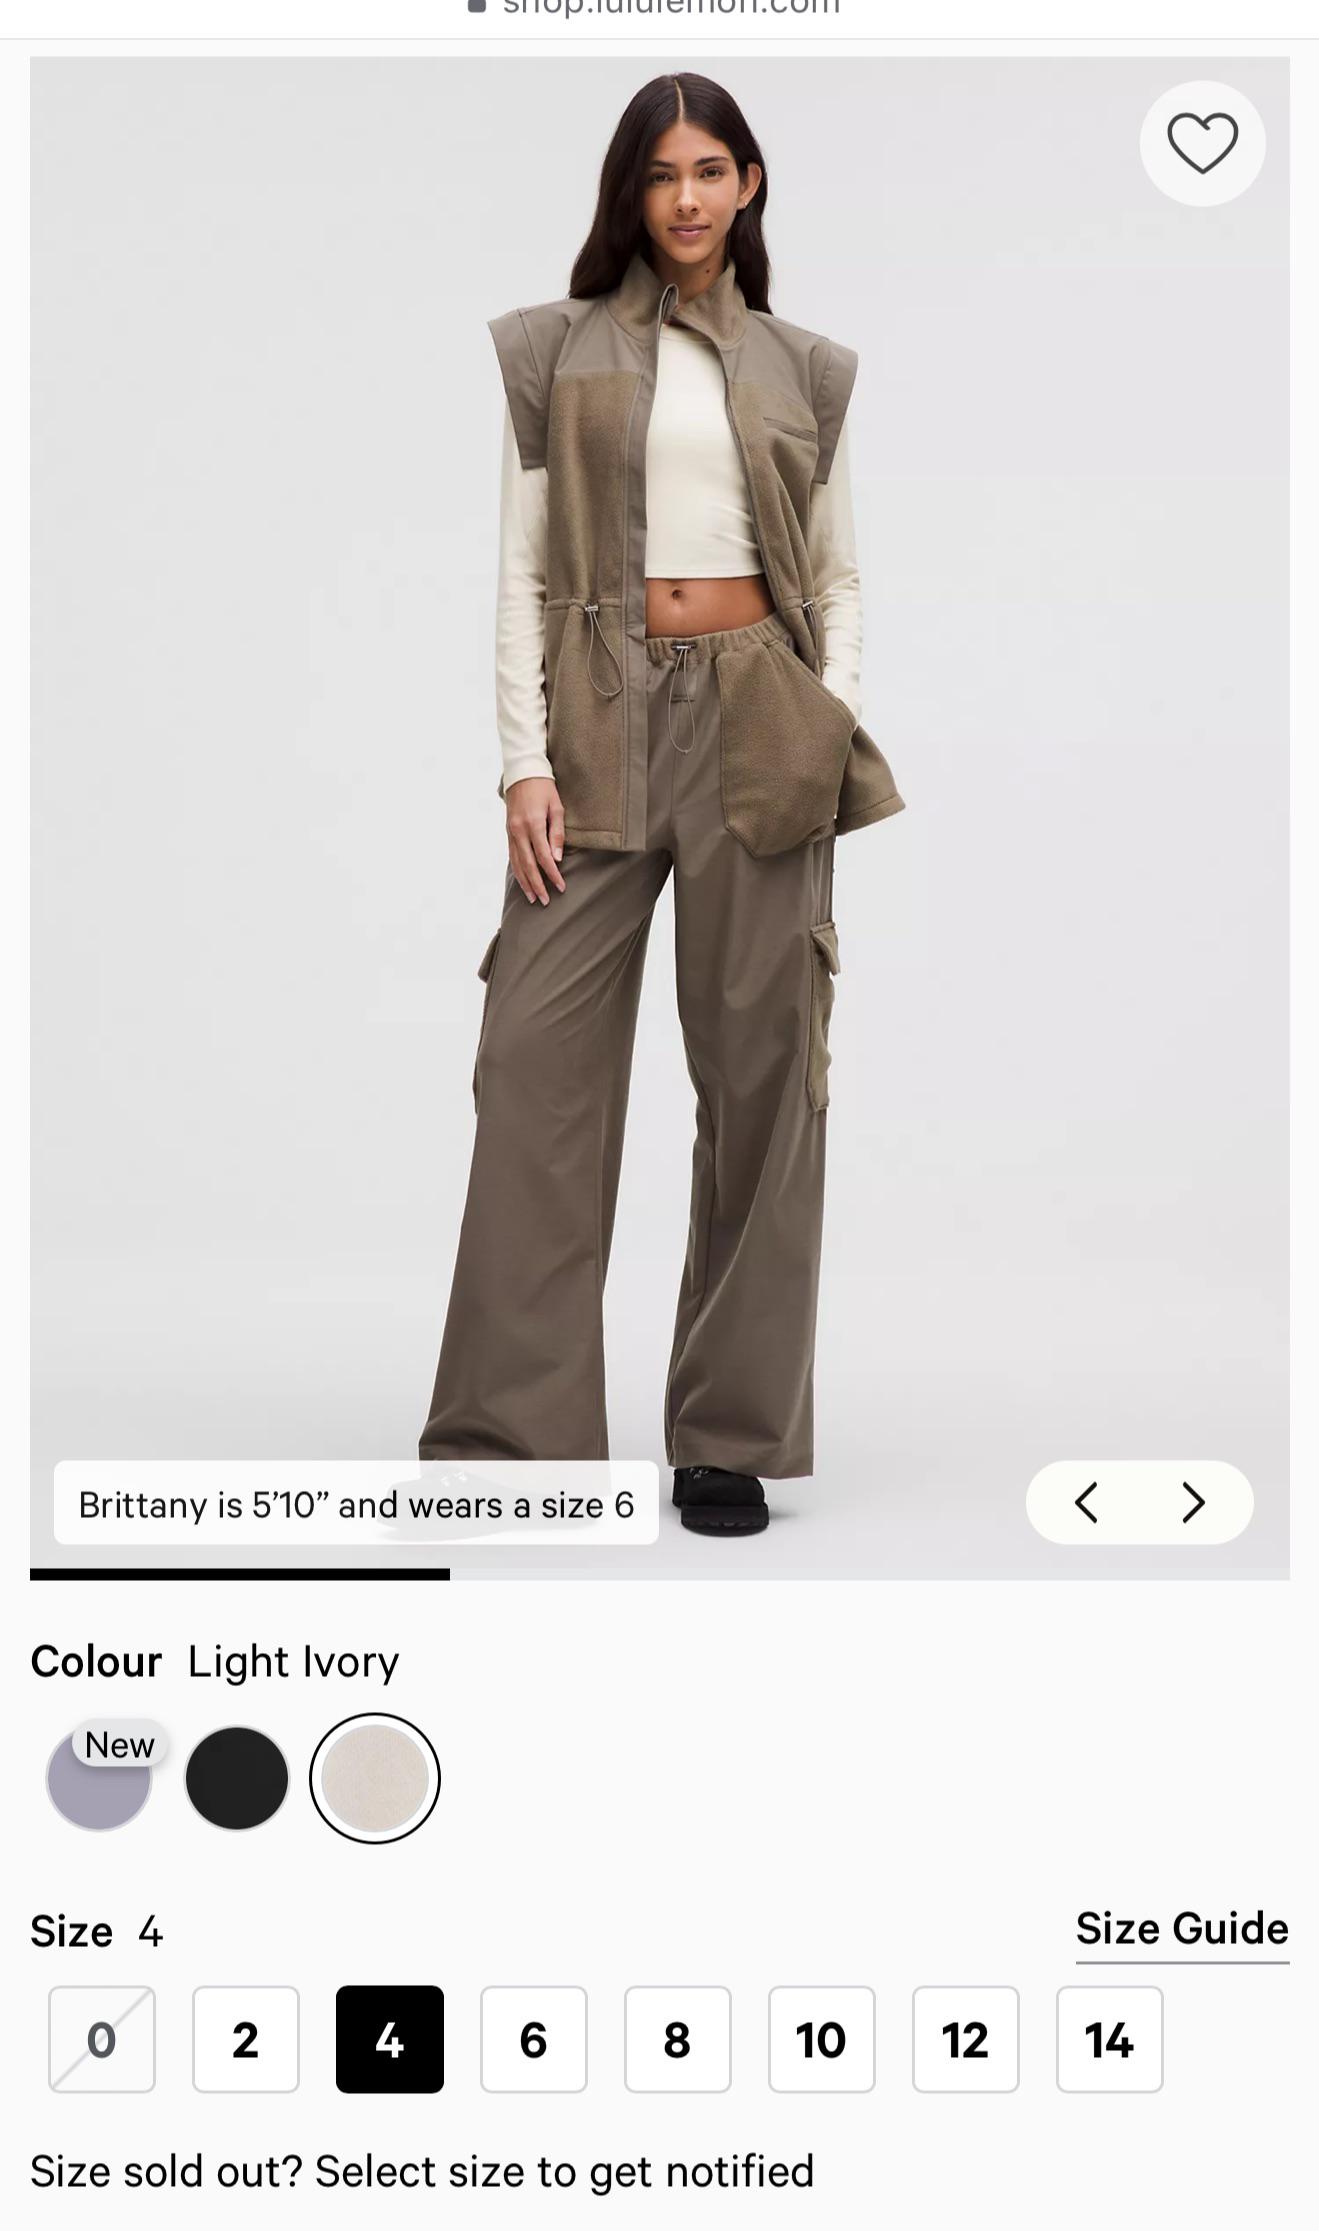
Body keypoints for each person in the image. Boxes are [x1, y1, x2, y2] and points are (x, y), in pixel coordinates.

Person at [419, 72, 904, 1536]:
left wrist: (825, 727)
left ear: (748, 185)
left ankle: (728, 1437)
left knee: (764, 1076)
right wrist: (522, 759)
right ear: (629, 193)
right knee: (532, 1066)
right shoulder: (552, 350)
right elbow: (520, 568)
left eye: (709, 170)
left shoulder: (807, 369)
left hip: (763, 713)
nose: (685, 198)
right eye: (659, 174)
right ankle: (514, 1439)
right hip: (597, 719)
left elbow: (838, 575)